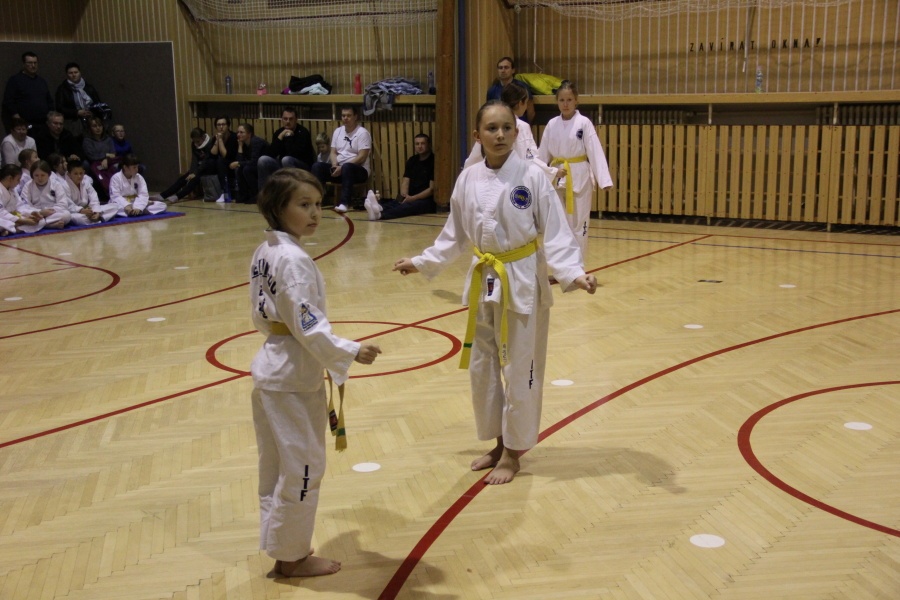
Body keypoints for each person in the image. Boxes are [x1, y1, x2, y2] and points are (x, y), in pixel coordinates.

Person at [392, 101, 597, 485]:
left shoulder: (532, 176)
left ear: (517, 133)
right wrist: (422, 261)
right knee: (483, 366)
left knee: (520, 368)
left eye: (506, 128)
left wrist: (574, 273)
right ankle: (499, 443)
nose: (500, 135)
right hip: (484, 277)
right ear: (477, 136)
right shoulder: (468, 179)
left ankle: (514, 453)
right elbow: (454, 234)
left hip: (522, 279)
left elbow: (556, 231)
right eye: (491, 128)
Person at [249, 168, 382, 577]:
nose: (314, 213)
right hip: (290, 375)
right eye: (303, 204)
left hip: (274, 367)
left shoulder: (267, 248)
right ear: (278, 208)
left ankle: (282, 546)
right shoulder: (292, 260)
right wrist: (350, 350)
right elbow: (307, 324)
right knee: (304, 466)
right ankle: (292, 558)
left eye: (318, 204)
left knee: (277, 466)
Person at [538, 80, 613, 257]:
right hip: (557, 176)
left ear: (576, 101)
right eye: (562, 100)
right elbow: (542, 155)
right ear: (557, 102)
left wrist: (604, 180)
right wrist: (537, 177)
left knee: (579, 224)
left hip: (579, 175)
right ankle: (561, 266)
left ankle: (578, 266)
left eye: (569, 100)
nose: (565, 104)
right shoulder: (552, 124)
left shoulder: (584, 123)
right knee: (558, 224)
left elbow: (594, 150)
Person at [464, 83, 555, 180]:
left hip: (490, 176)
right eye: (526, 102)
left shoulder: (490, 124)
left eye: (507, 128)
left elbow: (473, 160)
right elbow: (530, 159)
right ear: (520, 103)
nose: (500, 135)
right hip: (513, 178)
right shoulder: (521, 126)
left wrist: (466, 176)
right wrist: (552, 172)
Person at [311, 106, 371, 213]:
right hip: (339, 169)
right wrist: (334, 165)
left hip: (358, 171)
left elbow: (362, 157)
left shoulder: (362, 133)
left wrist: (342, 167)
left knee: (347, 167)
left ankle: (344, 203)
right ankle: (316, 201)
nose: (345, 118)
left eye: (348, 116)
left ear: (355, 117)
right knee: (317, 166)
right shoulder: (338, 131)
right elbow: (333, 152)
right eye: (343, 116)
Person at [364, 133, 435, 221]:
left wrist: (413, 198)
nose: (420, 146)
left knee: (408, 207)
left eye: (423, 143)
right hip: (410, 196)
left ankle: (380, 215)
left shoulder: (434, 161)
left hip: (425, 199)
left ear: (428, 145)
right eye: (417, 144)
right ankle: (378, 208)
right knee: (396, 201)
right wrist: (404, 195)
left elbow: (431, 189)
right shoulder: (412, 160)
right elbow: (405, 181)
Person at [257, 107, 315, 191]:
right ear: (282, 119)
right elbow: (271, 154)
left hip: (301, 165)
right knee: (263, 160)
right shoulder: (279, 132)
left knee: (286, 159)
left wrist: (288, 136)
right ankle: (264, 193)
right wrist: (280, 136)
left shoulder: (303, 132)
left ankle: (290, 191)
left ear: (296, 120)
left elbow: (294, 153)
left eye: (291, 119)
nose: (288, 121)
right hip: (283, 164)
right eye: (285, 119)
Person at [157, 128, 216, 203]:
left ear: (203, 137)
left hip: (208, 168)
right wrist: (191, 172)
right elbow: (194, 159)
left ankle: (178, 196)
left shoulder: (210, 143)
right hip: (199, 167)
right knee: (184, 178)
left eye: (198, 141)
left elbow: (206, 161)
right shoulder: (194, 144)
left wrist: (195, 173)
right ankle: (163, 195)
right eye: (194, 141)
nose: (196, 144)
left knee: (195, 179)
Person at [2, 52, 54, 130]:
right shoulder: (15, 80)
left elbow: (49, 100)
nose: (33, 65)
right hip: (24, 125)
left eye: (35, 63)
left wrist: (51, 115)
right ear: (24, 64)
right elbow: (8, 101)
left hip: (43, 124)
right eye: (30, 63)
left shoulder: (41, 81)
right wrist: (16, 116)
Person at [55, 62, 102, 136]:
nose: (74, 75)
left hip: (91, 121)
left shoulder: (89, 87)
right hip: (73, 123)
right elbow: (59, 108)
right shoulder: (62, 89)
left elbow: (98, 103)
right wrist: (77, 112)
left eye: (76, 72)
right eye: (71, 73)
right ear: (67, 74)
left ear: (80, 73)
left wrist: (92, 112)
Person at [20, 160, 70, 229]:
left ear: (49, 174)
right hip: (36, 213)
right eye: (36, 175)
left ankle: (41, 224)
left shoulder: (56, 184)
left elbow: (63, 204)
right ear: (32, 175)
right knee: (22, 216)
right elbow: (24, 205)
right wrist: (40, 212)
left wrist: (50, 211)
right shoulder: (28, 185)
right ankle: (48, 225)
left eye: (43, 175)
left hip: (52, 213)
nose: (40, 178)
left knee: (67, 215)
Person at [486, 57, 535, 123]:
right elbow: (489, 111)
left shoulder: (522, 87)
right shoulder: (492, 91)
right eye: (500, 68)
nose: (503, 70)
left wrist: (527, 125)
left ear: (513, 70)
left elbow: (530, 111)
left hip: (520, 123)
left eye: (506, 67)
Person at [229, 122, 267, 204]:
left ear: (249, 134)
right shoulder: (243, 143)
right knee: (240, 169)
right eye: (238, 132)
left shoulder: (256, 142)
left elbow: (254, 161)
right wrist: (240, 146)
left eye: (241, 132)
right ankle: (244, 195)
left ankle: (256, 195)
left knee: (247, 169)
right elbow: (241, 161)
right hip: (255, 166)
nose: (238, 134)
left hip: (265, 166)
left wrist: (238, 163)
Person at [0, 164, 43, 235]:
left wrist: (30, 214)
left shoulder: (12, 189)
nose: (19, 182)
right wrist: (23, 221)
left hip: (13, 217)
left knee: (40, 221)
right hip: (3, 218)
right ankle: (13, 227)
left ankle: (11, 229)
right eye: (18, 179)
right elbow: (1, 213)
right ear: (10, 178)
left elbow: (20, 206)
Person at [81, 117, 118, 197]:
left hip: (108, 162)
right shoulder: (87, 141)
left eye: (100, 125)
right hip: (94, 164)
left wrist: (106, 160)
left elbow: (113, 154)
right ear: (90, 128)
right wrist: (105, 156)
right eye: (94, 126)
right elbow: (91, 156)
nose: (98, 128)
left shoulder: (108, 139)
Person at [210, 115, 238, 202]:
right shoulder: (215, 137)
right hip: (221, 163)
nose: (221, 127)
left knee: (220, 161)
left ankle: (224, 192)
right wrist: (217, 140)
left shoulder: (234, 137)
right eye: (218, 125)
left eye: (223, 124)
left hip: (232, 161)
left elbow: (226, 155)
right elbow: (213, 154)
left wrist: (220, 140)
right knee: (208, 163)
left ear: (228, 125)